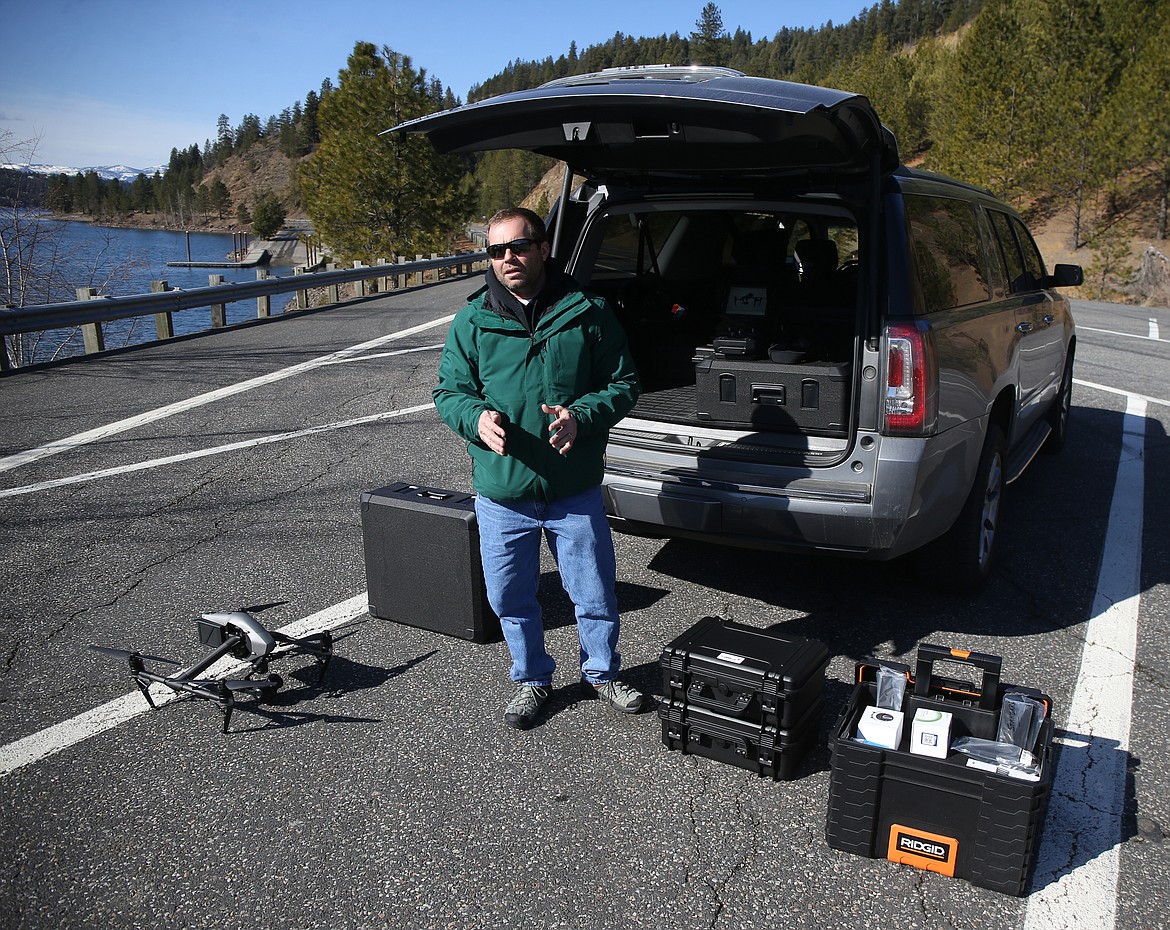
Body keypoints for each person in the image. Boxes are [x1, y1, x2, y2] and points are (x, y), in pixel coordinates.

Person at [433, 206, 645, 729]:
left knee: (593, 592)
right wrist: (474, 419)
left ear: (543, 248)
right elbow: (449, 392)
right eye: (497, 250)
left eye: (520, 246)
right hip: (503, 492)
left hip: (572, 489)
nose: (509, 258)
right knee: (509, 596)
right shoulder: (472, 320)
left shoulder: (587, 312)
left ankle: (601, 672)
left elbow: (624, 384)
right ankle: (531, 678)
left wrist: (584, 417)